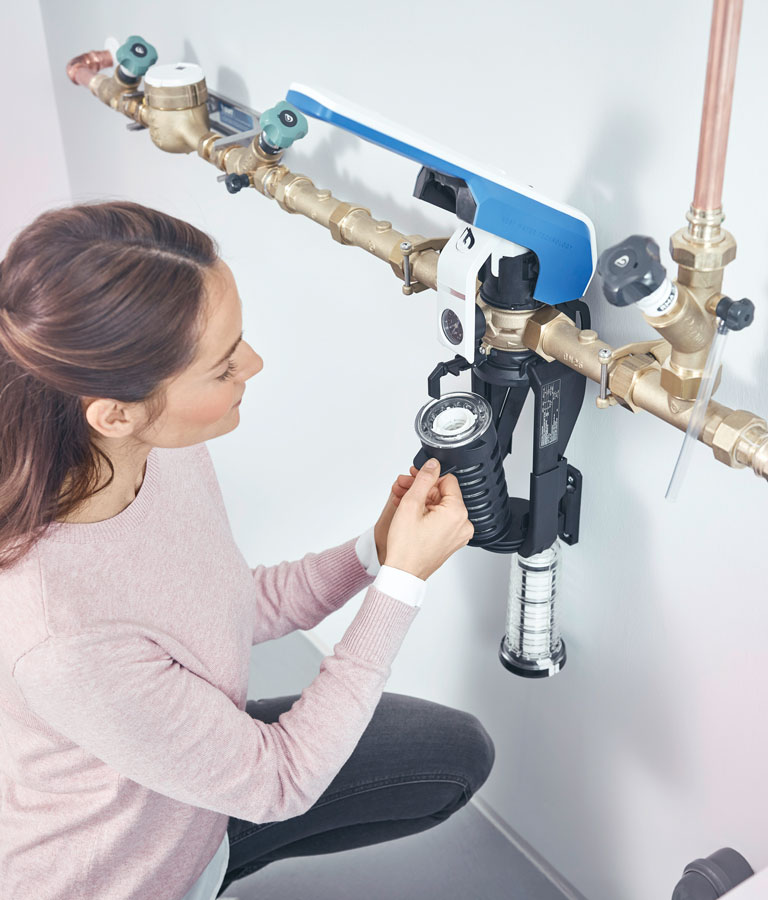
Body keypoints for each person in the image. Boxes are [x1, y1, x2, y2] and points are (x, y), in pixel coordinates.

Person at [0, 200, 495, 900]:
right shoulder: (60, 637)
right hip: (127, 874)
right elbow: (282, 780)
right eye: (224, 366)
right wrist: (403, 585)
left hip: (193, 800)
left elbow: (227, 603)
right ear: (115, 413)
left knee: (451, 754)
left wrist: (376, 550)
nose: (255, 364)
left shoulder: (142, 452)